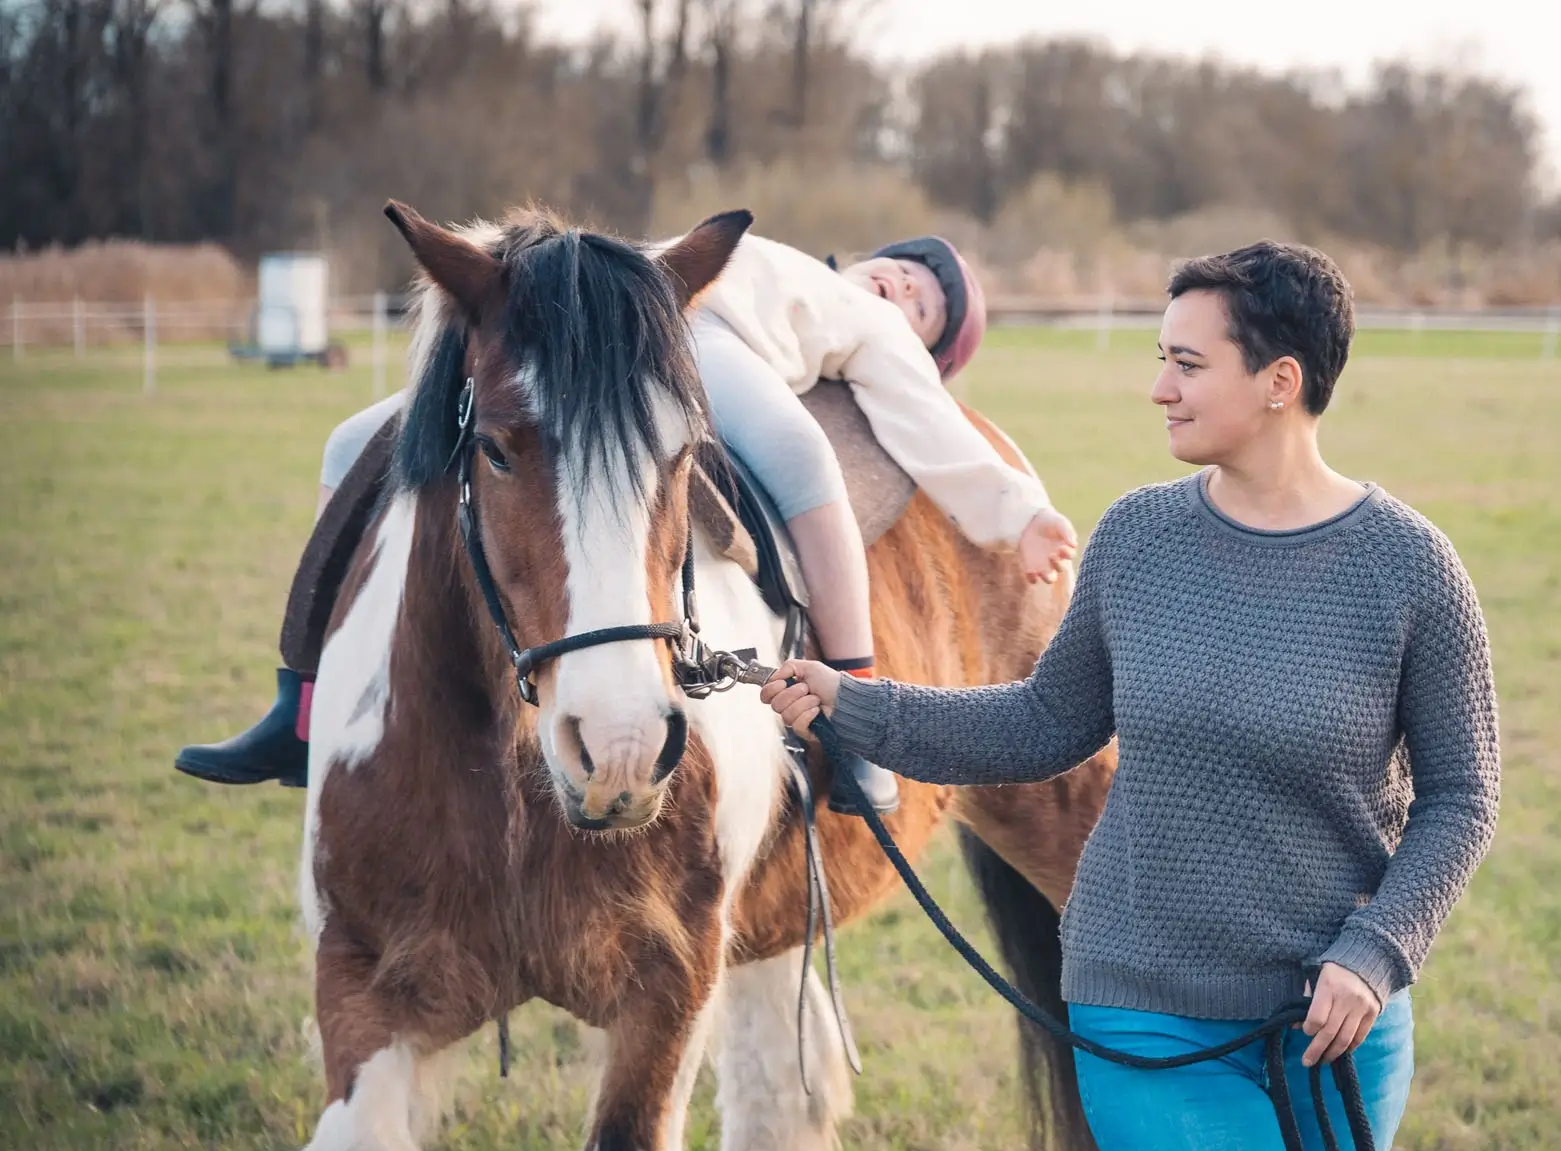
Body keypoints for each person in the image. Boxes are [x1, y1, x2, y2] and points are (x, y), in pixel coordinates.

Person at [761, 241, 1501, 1151]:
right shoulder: (1139, 537)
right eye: (1162, 358)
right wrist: (851, 701)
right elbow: (1042, 722)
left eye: (1186, 364)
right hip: (1146, 1008)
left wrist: (1376, 952)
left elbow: (1461, 796)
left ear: (1278, 383)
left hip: (1339, 1019)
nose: (1157, 385)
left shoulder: (1408, 568)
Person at [175, 229, 1079, 815]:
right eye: (907, 269)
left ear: (926, 347)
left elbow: (936, 432)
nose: (901, 290)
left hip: (701, 344)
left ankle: (853, 701)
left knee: (806, 466)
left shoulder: (873, 339)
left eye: (924, 306)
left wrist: (1020, 512)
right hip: (606, 311)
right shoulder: (806, 268)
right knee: (350, 445)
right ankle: (303, 699)